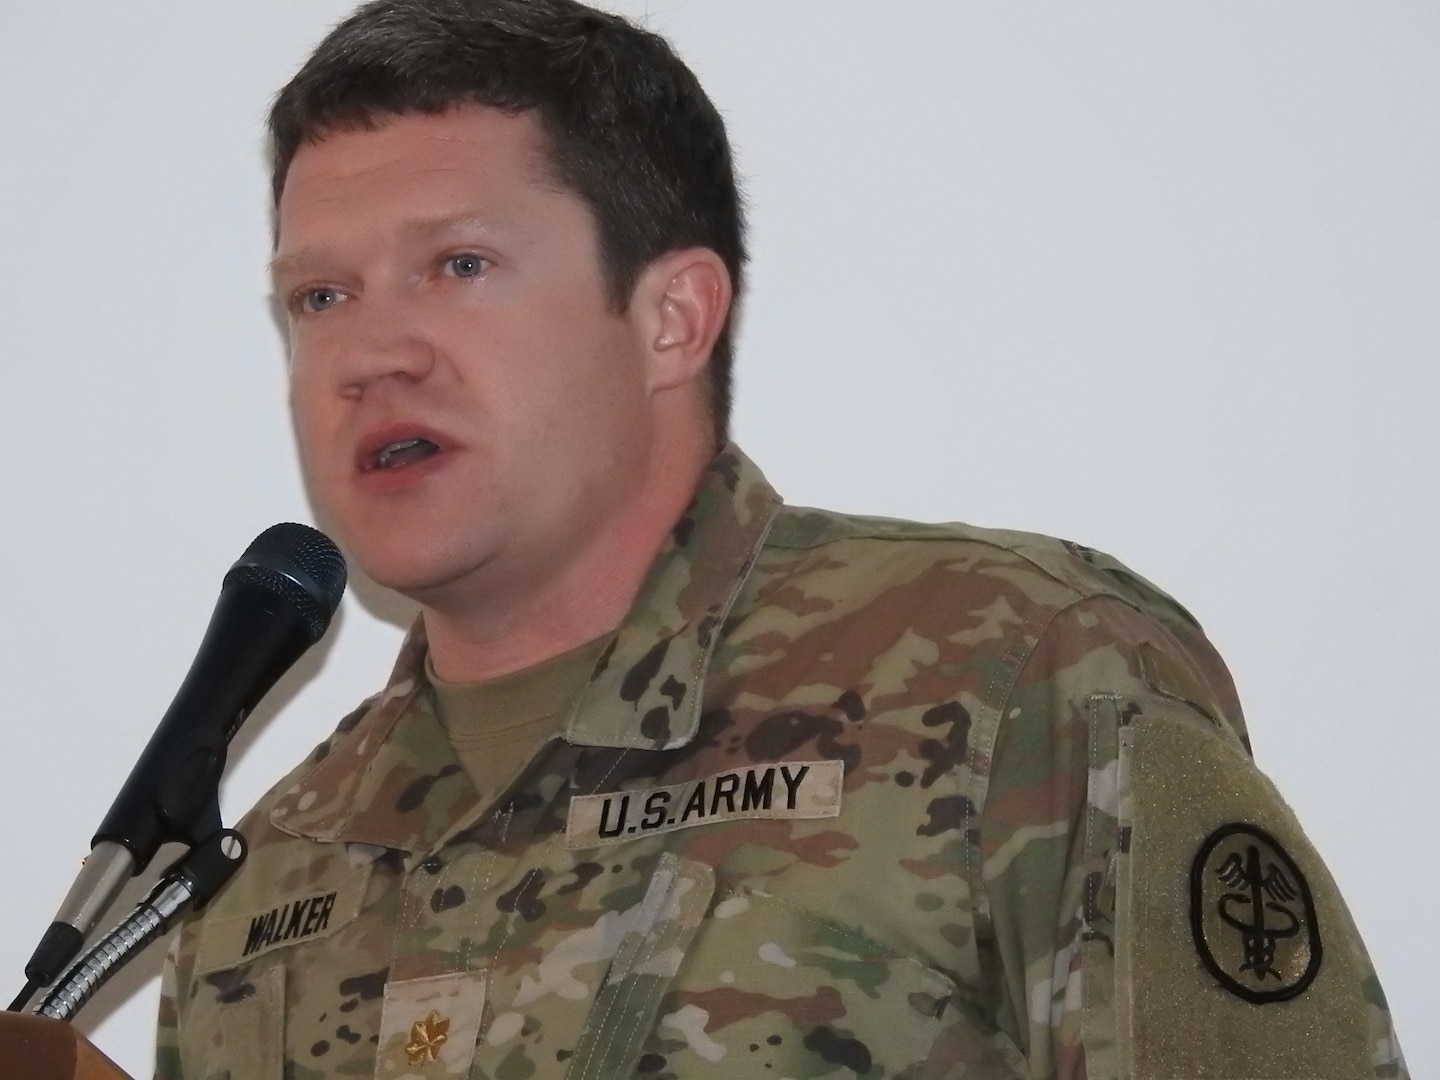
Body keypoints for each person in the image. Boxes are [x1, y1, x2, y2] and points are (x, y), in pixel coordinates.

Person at [155, 1, 1407, 1077]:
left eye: (461, 265)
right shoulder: (274, 867)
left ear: (672, 318)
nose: (371, 353)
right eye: (320, 297)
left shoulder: (1016, 673)